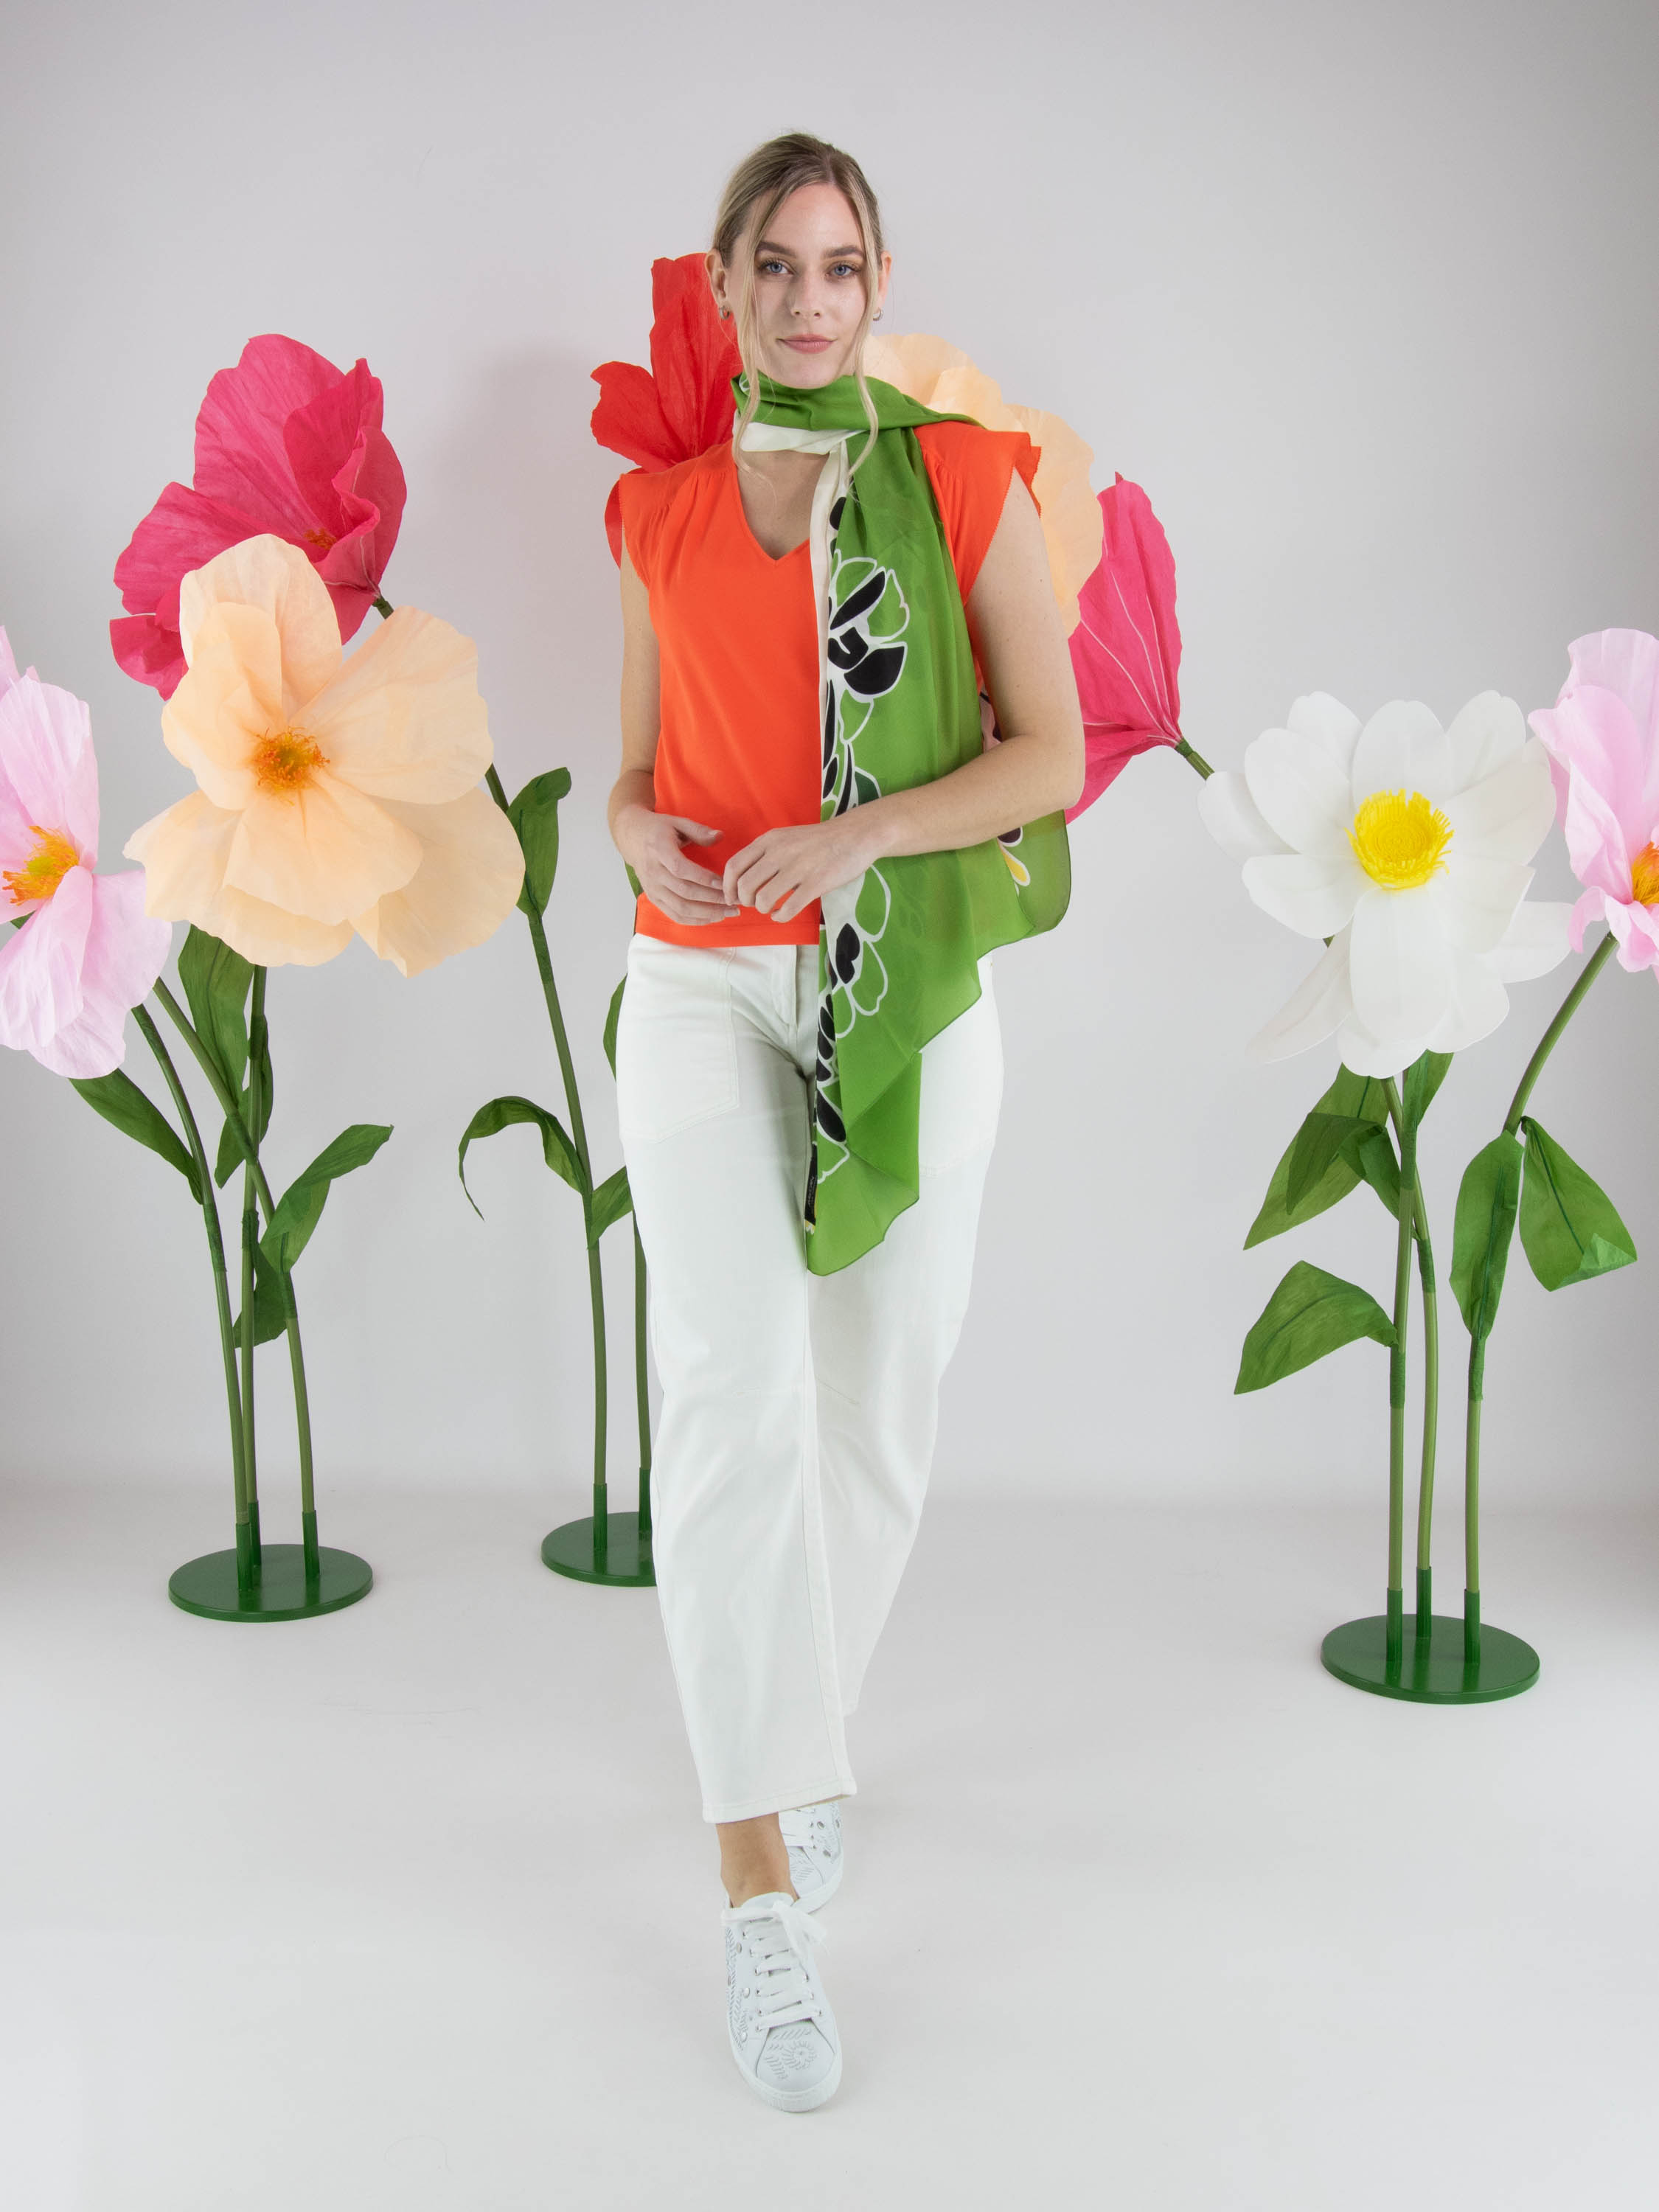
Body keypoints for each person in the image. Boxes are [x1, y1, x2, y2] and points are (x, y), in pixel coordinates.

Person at [607, 131, 1084, 2110]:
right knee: (733, 1396)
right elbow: (633, 767)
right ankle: (754, 1900)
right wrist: (635, 829)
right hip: (697, 978)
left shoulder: (967, 480)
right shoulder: (652, 509)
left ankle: (796, 1738)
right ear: (724, 287)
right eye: (777, 265)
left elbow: (1045, 755)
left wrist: (858, 835)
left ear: (877, 286)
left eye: (842, 264)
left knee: (882, 1392)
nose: (810, 297)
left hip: (905, 979)